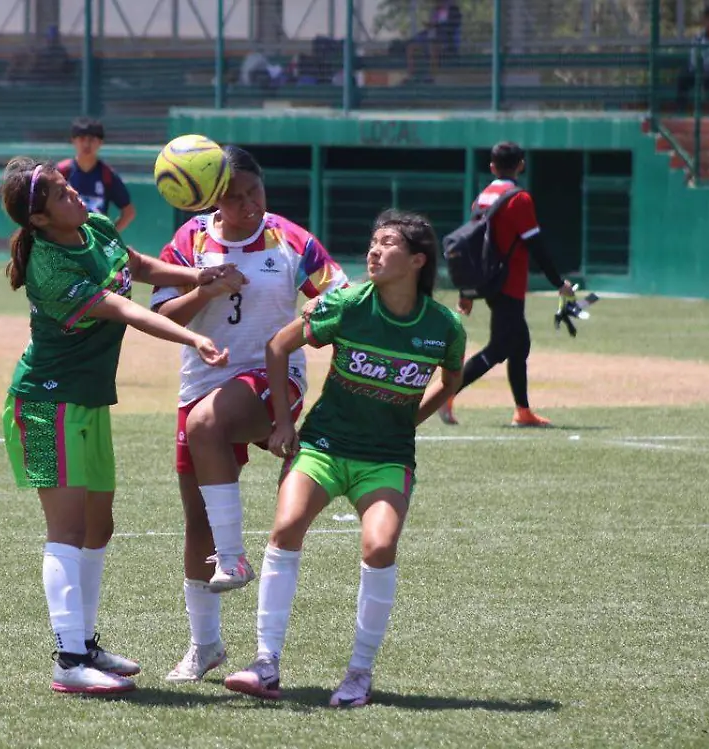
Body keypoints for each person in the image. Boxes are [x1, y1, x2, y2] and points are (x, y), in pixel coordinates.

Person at [0, 156, 234, 695]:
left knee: (99, 526)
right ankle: (69, 659)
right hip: (42, 405)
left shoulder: (94, 226)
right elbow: (127, 309)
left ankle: (87, 643)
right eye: (60, 195)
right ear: (37, 221)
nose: (74, 195)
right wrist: (193, 335)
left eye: (68, 187)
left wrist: (198, 275)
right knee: (67, 531)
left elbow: (139, 266)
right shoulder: (51, 267)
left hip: (87, 402)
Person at [222, 210, 465, 707]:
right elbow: (278, 344)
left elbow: (451, 378)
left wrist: (409, 420)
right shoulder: (348, 304)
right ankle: (265, 664)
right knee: (286, 526)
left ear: (417, 260)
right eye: (372, 241)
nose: (374, 251)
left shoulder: (443, 326)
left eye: (388, 244)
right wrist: (285, 423)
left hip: (386, 457)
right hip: (323, 447)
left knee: (379, 547)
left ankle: (358, 674)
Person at [150, 145, 348, 683]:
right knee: (196, 524)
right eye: (234, 197)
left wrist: (319, 310)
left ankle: (234, 558)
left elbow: (341, 294)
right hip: (202, 381)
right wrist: (205, 287)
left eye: (254, 192)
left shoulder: (290, 239)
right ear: (213, 200)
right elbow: (159, 314)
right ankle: (205, 646)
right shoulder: (190, 241)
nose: (248, 205)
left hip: (272, 378)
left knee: (206, 425)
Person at [439, 141, 573, 428]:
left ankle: (522, 411)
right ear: (521, 164)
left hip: (488, 281)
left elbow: (472, 245)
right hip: (508, 283)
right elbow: (536, 246)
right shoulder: (519, 199)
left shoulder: (483, 197)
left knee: (519, 344)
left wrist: (468, 291)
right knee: (500, 348)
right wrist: (558, 283)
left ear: (492, 167)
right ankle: (446, 394)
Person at [56, 118, 136, 232]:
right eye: (82, 138)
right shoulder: (61, 172)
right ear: (73, 140)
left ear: (100, 142)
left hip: (94, 243)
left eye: (92, 139)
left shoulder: (107, 175)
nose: (86, 144)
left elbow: (129, 212)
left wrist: (108, 236)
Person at [675, 7, 709, 112]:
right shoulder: (698, 38)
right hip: (699, 71)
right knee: (682, 77)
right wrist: (700, 71)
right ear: (704, 21)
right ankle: (680, 109)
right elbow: (693, 59)